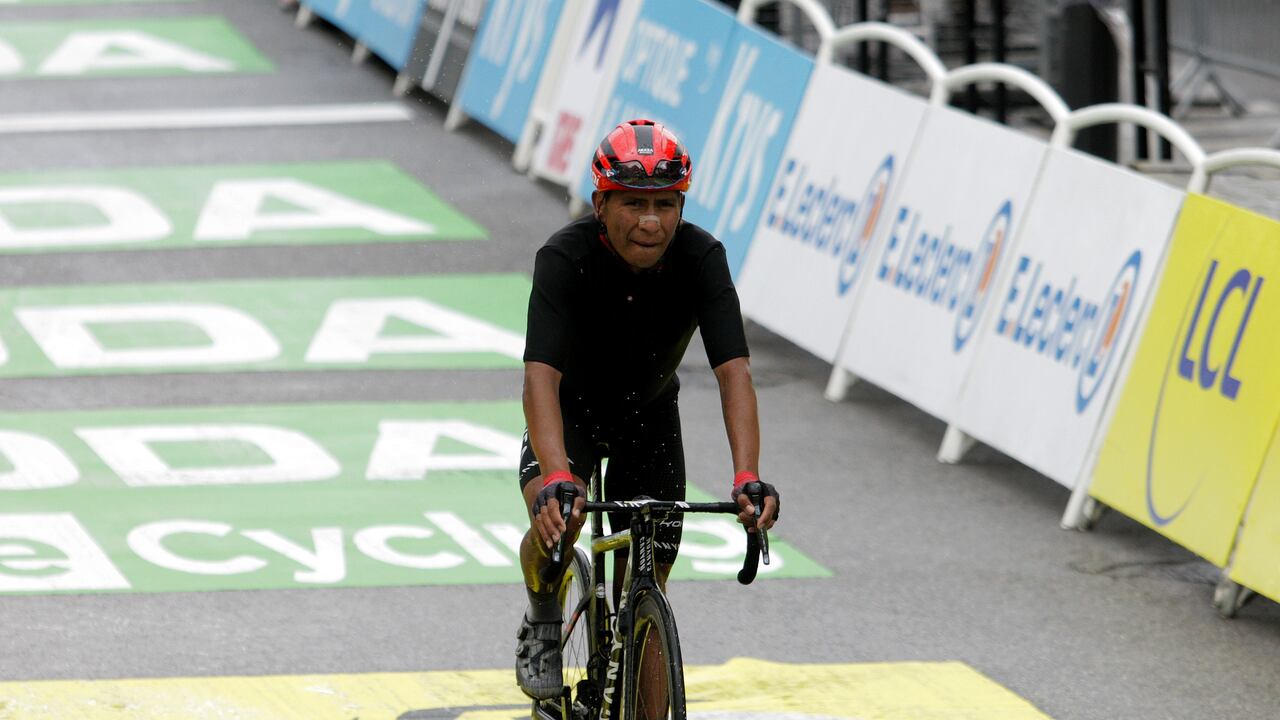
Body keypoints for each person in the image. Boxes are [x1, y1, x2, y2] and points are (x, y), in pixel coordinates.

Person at [514, 118, 780, 700]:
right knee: (558, 520)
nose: (651, 221)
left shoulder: (703, 257)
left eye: (665, 203)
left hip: (648, 419)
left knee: (650, 585)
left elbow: (734, 374)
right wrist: (558, 476)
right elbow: (539, 377)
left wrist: (747, 476)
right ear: (601, 204)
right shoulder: (563, 256)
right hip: (571, 415)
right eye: (634, 204)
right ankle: (542, 606)